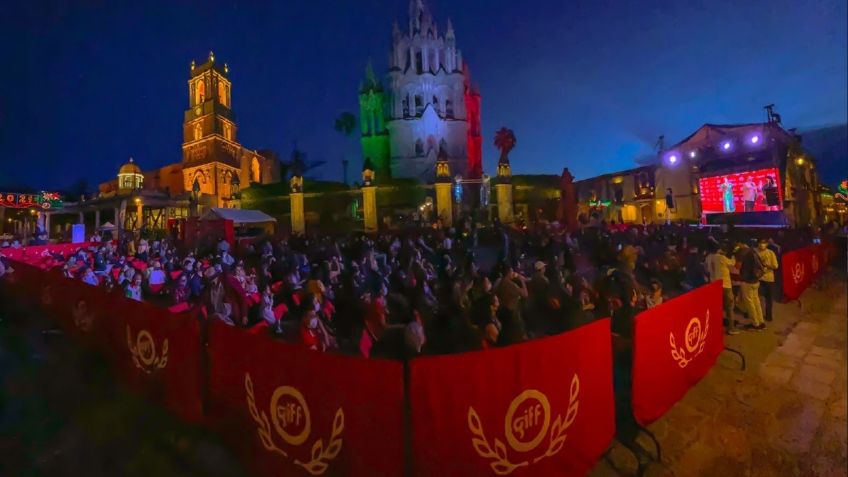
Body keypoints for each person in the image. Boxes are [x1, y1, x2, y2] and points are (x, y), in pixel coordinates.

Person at [705, 241, 739, 335]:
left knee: (716, 307)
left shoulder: (708, 257)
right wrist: (733, 257)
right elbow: (732, 265)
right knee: (729, 307)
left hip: (714, 285)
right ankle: (731, 328)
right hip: (725, 285)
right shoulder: (722, 258)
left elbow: (707, 270)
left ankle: (715, 326)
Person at [736, 240, 765, 331]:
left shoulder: (743, 253)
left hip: (747, 281)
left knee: (750, 303)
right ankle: (761, 322)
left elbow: (738, 266)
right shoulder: (753, 251)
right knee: (756, 301)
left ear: (740, 243)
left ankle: (755, 324)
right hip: (756, 280)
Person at [757, 238, 779, 322]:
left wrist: (767, 265)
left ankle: (769, 316)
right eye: (760, 243)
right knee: (757, 298)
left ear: (766, 244)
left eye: (763, 243)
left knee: (769, 299)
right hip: (759, 278)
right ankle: (757, 315)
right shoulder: (756, 253)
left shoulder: (770, 253)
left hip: (769, 279)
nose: (762, 245)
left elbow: (776, 266)